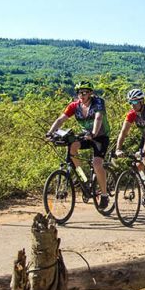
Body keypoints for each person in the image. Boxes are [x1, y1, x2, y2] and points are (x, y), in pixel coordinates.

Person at [46, 80, 110, 208]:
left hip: (100, 136)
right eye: (79, 92)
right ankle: (83, 178)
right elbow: (61, 119)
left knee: (97, 164)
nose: (82, 95)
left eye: (85, 92)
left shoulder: (98, 102)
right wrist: (50, 132)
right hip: (85, 136)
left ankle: (104, 195)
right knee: (72, 147)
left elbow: (98, 118)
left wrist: (93, 133)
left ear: (90, 93)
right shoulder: (74, 106)